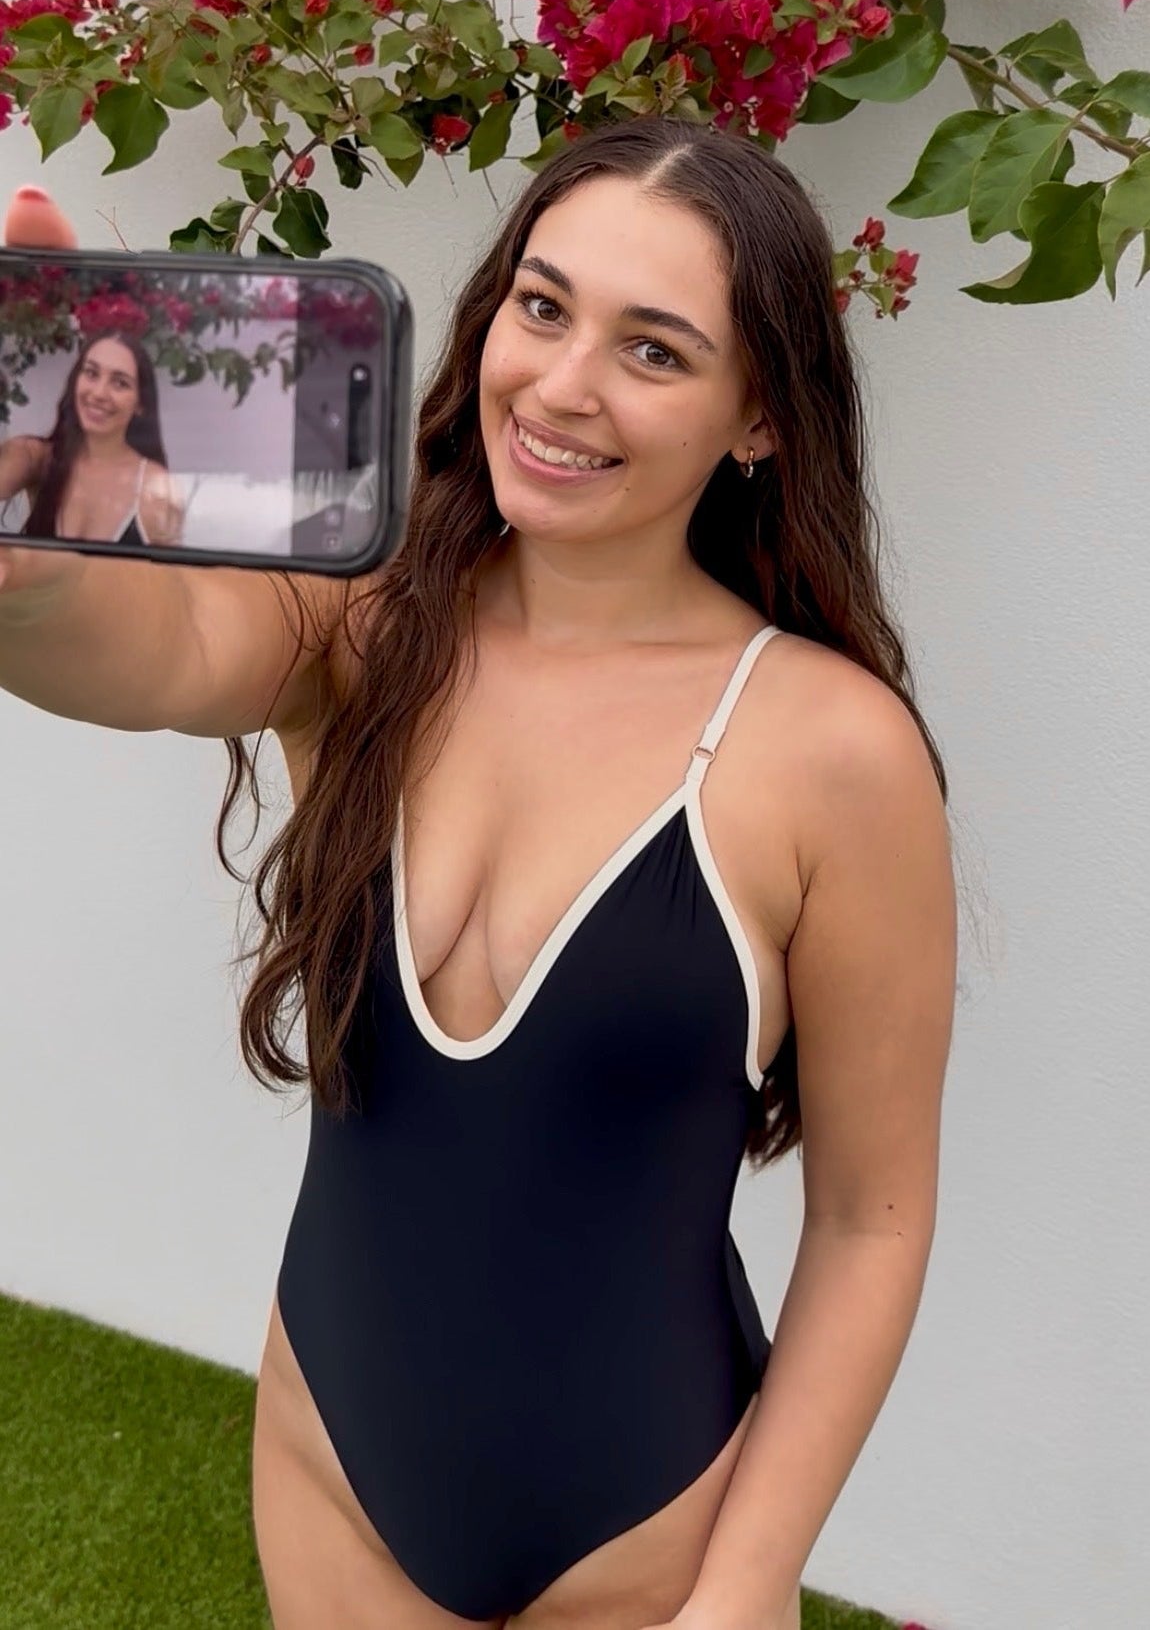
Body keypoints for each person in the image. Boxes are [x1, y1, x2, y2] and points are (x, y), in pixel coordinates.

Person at [0, 123, 956, 1630]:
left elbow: (869, 1222)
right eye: (542, 305)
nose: (562, 384)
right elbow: (159, 655)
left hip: (648, 1547)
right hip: (331, 1476)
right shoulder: (363, 619)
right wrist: (31, 570)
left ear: (759, 416)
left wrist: (746, 1584)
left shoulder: (833, 753)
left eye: (653, 350)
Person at [0, 309, 185, 547]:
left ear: (140, 404)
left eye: (120, 383)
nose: (99, 393)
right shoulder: (35, 458)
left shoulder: (155, 488)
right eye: (91, 373)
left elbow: (170, 570)